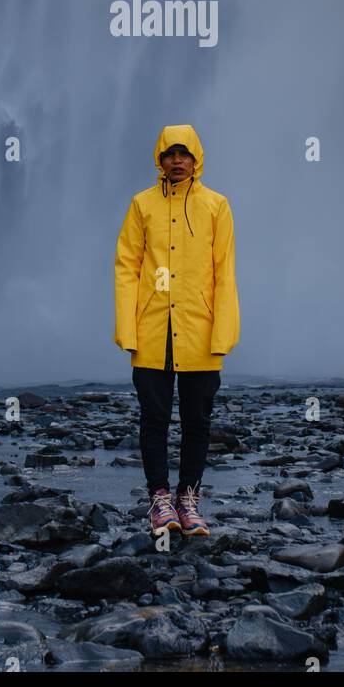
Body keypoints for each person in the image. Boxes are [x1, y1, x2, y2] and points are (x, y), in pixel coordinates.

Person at [114, 124, 240, 537]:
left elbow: (225, 273)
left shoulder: (216, 206)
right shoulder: (141, 204)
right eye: (170, 154)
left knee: (196, 420)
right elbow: (126, 268)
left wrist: (224, 333)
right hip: (152, 329)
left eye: (185, 154)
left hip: (200, 329)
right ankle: (159, 501)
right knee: (153, 417)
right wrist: (126, 330)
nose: (178, 161)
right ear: (160, 159)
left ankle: (188, 500)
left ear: (197, 158)